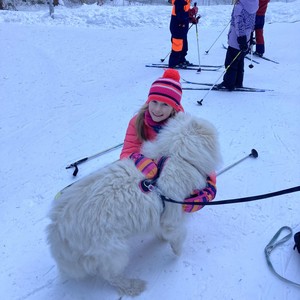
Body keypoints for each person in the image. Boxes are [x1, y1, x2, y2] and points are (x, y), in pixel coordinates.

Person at [120, 68, 217, 213]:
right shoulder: (137, 122)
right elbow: (128, 151)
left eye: (165, 104)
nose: (157, 109)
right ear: (148, 101)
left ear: (174, 107)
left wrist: (210, 187)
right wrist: (136, 159)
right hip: (145, 174)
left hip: (170, 175)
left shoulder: (184, 128)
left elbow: (200, 161)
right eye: (154, 102)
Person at [218, 0, 259, 91]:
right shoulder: (254, 3)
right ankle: (238, 82)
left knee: (230, 62)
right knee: (240, 61)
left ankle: (229, 83)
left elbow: (239, 24)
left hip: (236, 39)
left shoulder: (239, 6)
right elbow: (252, 21)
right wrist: (250, 36)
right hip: (247, 37)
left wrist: (241, 38)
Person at [168, 0, 199, 68]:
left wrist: (191, 18)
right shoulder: (180, 1)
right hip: (177, 26)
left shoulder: (186, 1)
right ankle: (173, 64)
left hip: (182, 26)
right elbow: (180, 15)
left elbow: (184, 12)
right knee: (177, 46)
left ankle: (181, 60)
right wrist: (191, 12)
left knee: (184, 45)